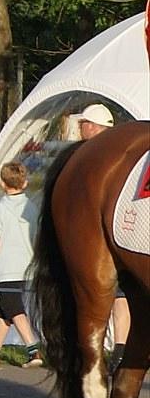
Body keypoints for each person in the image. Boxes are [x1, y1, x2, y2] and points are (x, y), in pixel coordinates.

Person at [75, 102, 130, 371]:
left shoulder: (90, 158)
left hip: (96, 238)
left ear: (92, 126)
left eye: (82, 124)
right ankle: (120, 347)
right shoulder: (121, 151)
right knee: (121, 296)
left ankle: (101, 348)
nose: (79, 128)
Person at [0, 161, 43, 368]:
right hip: (27, 265)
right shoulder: (32, 207)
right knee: (4, 310)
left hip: (6, 267)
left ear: (2, 184)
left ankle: (33, 350)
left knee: (13, 308)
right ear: (25, 183)